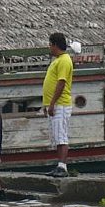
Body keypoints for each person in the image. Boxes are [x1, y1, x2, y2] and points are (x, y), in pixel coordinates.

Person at [43, 31, 74, 177]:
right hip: (54, 104)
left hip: (60, 104)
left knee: (61, 136)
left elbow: (61, 82)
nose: (49, 47)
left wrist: (52, 103)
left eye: (50, 44)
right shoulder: (58, 60)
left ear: (55, 45)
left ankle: (63, 166)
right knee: (57, 136)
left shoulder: (64, 60)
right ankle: (59, 165)